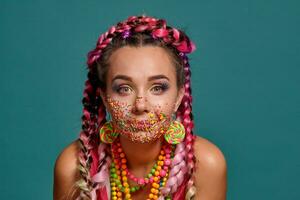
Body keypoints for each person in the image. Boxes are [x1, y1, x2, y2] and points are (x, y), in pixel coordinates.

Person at [54, 15, 227, 200]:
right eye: (124, 89)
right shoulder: (74, 167)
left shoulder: (206, 165)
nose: (140, 105)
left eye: (158, 88)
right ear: (104, 97)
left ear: (178, 96)